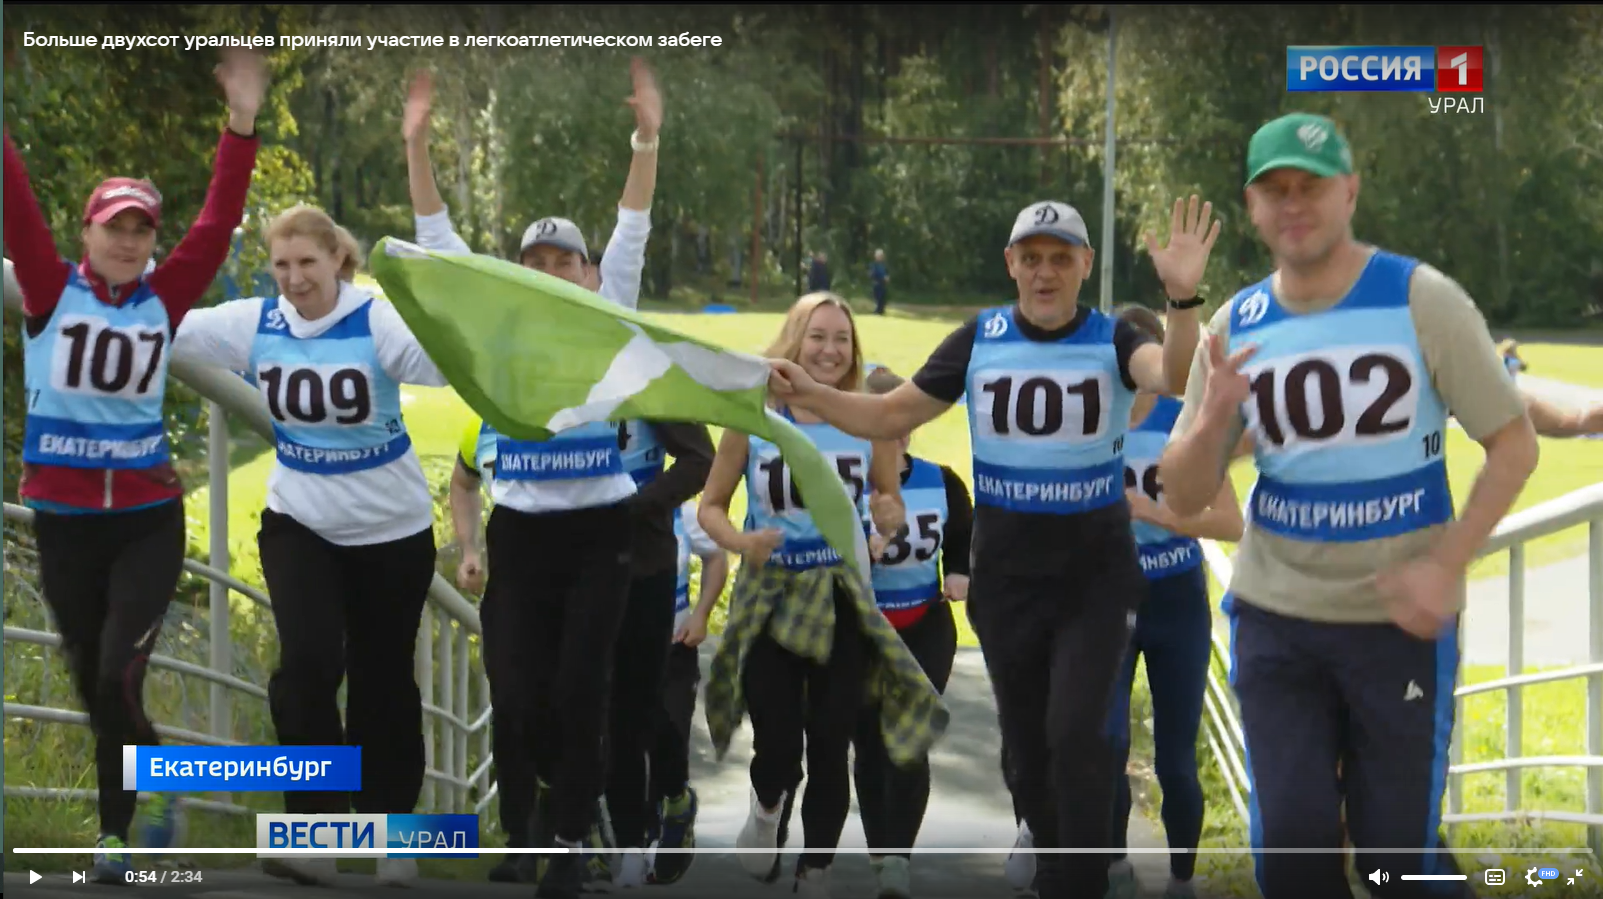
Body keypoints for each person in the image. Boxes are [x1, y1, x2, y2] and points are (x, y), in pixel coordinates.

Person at [766, 196, 1218, 899]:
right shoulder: (979, 338)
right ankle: (1051, 866)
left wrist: (1182, 297)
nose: (1044, 272)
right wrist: (812, 395)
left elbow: (1177, 375)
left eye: (1059, 259)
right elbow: (890, 411)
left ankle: (1083, 878)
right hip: (1008, 584)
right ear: (1010, 264)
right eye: (1031, 258)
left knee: (1076, 733)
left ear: (1083, 265)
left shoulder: (1111, 340)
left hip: (1092, 579)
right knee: (1027, 755)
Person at [1157, 113, 1539, 899]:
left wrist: (1445, 563)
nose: (1294, 204)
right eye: (1276, 191)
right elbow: (1185, 490)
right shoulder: (1234, 326)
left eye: (1312, 187)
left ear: (1350, 192)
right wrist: (1209, 416)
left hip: (1396, 627)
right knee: (1289, 855)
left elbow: (1513, 442)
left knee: (1392, 860)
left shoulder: (1420, 300)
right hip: (1276, 619)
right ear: (1253, 208)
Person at [3, 49, 265, 884]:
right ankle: (122, 828)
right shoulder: (48, 288)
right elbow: (13, 202)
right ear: (87, 232)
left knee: (120, 666)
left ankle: (143, 810)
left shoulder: (164, 296)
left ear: (152, 242)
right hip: (65, 523)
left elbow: (219, 223)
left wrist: (242, 123)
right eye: (112, 225)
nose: (125, 240)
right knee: (95, 688)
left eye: (139, 229)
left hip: (147, 521)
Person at [405, 59, 664, 899]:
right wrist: (416, 148)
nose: (552, 270)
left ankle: (565, 842)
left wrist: (646, 138)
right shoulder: (494, 329)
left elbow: (632, 227)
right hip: (519, 538)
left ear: (589, 276)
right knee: (518, 699)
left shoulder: (606, 318)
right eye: (536, 259)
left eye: (566, 261)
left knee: (581, 686)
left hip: (598, 537)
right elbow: (441, 248)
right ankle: (561, 806)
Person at [170, 204, 444, 888]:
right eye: (282, 265)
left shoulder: (374, 318)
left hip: (392, 531)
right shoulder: (257, 323)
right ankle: (315, 833)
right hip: (300, 522)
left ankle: (392, 838)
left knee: (382, 679)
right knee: (308, 665)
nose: (294, 279)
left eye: (307, 264)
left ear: (338, 260)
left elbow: (439, 365)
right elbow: (165, 321)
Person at [699, 291, 945, 898]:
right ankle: (765, 808)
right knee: (780, 743)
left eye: (841, 339)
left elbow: (888, 505)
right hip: (771, 594)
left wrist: (886, 516)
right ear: (793, 340)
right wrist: (741, 540)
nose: (830, 350)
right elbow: (709, 508)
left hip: (842, 598)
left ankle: (817, 870)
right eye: (818, 336)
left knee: (833, 743)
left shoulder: (870, 417)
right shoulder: (753, 415)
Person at [1102, 304, 1245, 899]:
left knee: (1175, 760)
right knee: (1107, 742)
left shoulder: (1179, 421)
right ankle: (1112, 864)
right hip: (1105, 601)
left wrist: (1158, 513)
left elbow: (1231, 521)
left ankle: (1182, 878)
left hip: (1177, 599)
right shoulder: (1090, 422)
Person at [853, 366, 973, 899]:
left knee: (909, 740)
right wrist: (870, 545)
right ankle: (882, 852)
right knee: (871, 746)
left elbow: (963, 535)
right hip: (862, 630)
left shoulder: (941, 479)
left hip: (925, 624)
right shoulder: (843, 486)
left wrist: (960, 571)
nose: (894, 432)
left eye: (902, 420)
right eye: (880, 421)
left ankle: (898, 858)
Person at [643, 498, 731, 885]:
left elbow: (716, 558)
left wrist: (701, 614)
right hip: (619, 649)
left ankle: (677, 804)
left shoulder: (683, 512)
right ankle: (639, 838)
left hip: (676, 647)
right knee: (623, 743)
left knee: (670, 734)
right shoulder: (603, 503)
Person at [871, 249, 890, 316]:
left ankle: (881, 310)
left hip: (883, 283)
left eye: (881, 256)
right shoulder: (874, 264)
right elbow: (873, 274)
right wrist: (881, 278)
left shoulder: (884, 265)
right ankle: (878, 310)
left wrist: (887, 277)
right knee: (877, 297)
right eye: (878, 256)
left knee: (883, 297)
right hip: (877, 283)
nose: (880, 257)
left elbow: (887, 272)